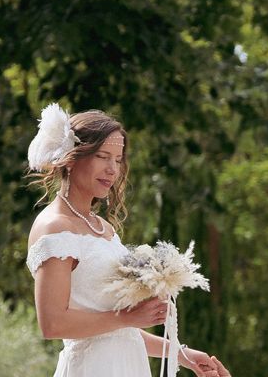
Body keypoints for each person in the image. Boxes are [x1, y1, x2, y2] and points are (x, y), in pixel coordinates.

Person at [25, 103, 222, 377]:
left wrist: (181, 353)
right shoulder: (55, 227)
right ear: (72, 157)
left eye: (117, 160)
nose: (112, 170)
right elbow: (53, 324)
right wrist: (128, 317)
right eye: (103, 156)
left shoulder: (103, 228)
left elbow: (117, 329)